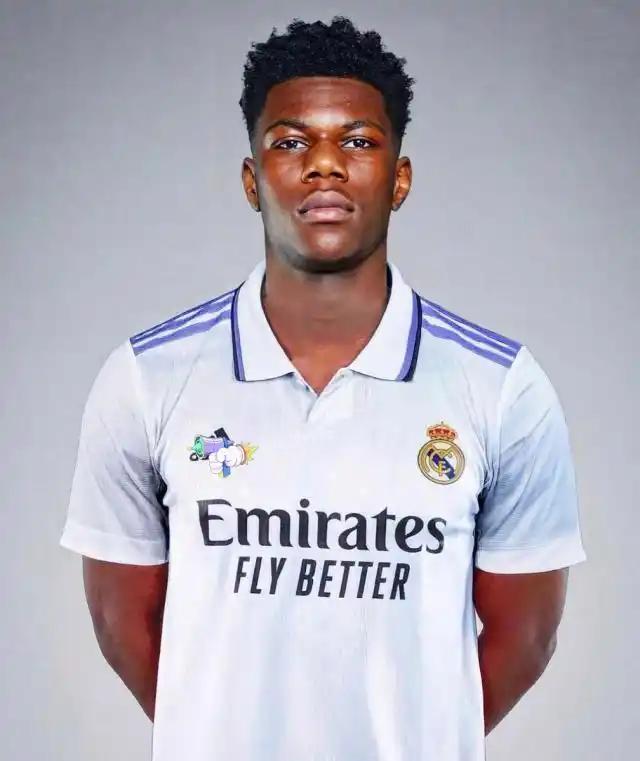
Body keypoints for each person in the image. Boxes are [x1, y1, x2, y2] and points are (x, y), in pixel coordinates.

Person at [59, 16, 587, 761]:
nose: (325, 165)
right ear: (252, 180)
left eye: (360, 142)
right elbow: (123, 623)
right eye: (290, 142)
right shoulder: (148, 377)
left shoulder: (502, 388)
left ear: (400, 179)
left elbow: (526, 635)